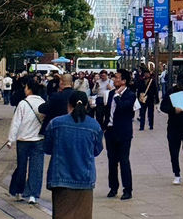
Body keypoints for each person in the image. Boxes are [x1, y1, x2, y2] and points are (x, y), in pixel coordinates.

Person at [44, 90, 103, 218]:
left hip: (60, 179)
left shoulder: (55, 123)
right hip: (84, 179)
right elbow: (97, 150)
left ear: (68, 105)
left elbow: (47, 148)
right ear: (86, 106)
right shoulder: (94, 126)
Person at [7, 76, 46, 205]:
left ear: (29, 89)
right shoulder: (43, 103)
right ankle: (33, 194)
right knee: (36, 167)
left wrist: (10, 139)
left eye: (26, 87)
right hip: (38, 139)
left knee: (22, 166)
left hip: (23, 139)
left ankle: (19, 191)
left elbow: (16, 122)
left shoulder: (23, 103)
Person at [103, 68, 136, 201]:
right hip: (110, 131)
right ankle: (113, 187)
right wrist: (105, 127)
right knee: (112, 161)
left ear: (123, 81)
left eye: (117, 78)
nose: (114, 80)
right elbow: (107, 111)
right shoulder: (111, 94)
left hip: (123, 133)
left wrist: (117, 96)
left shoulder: (130, 95)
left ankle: (127, 189)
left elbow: (124, 107)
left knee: (124, 161)